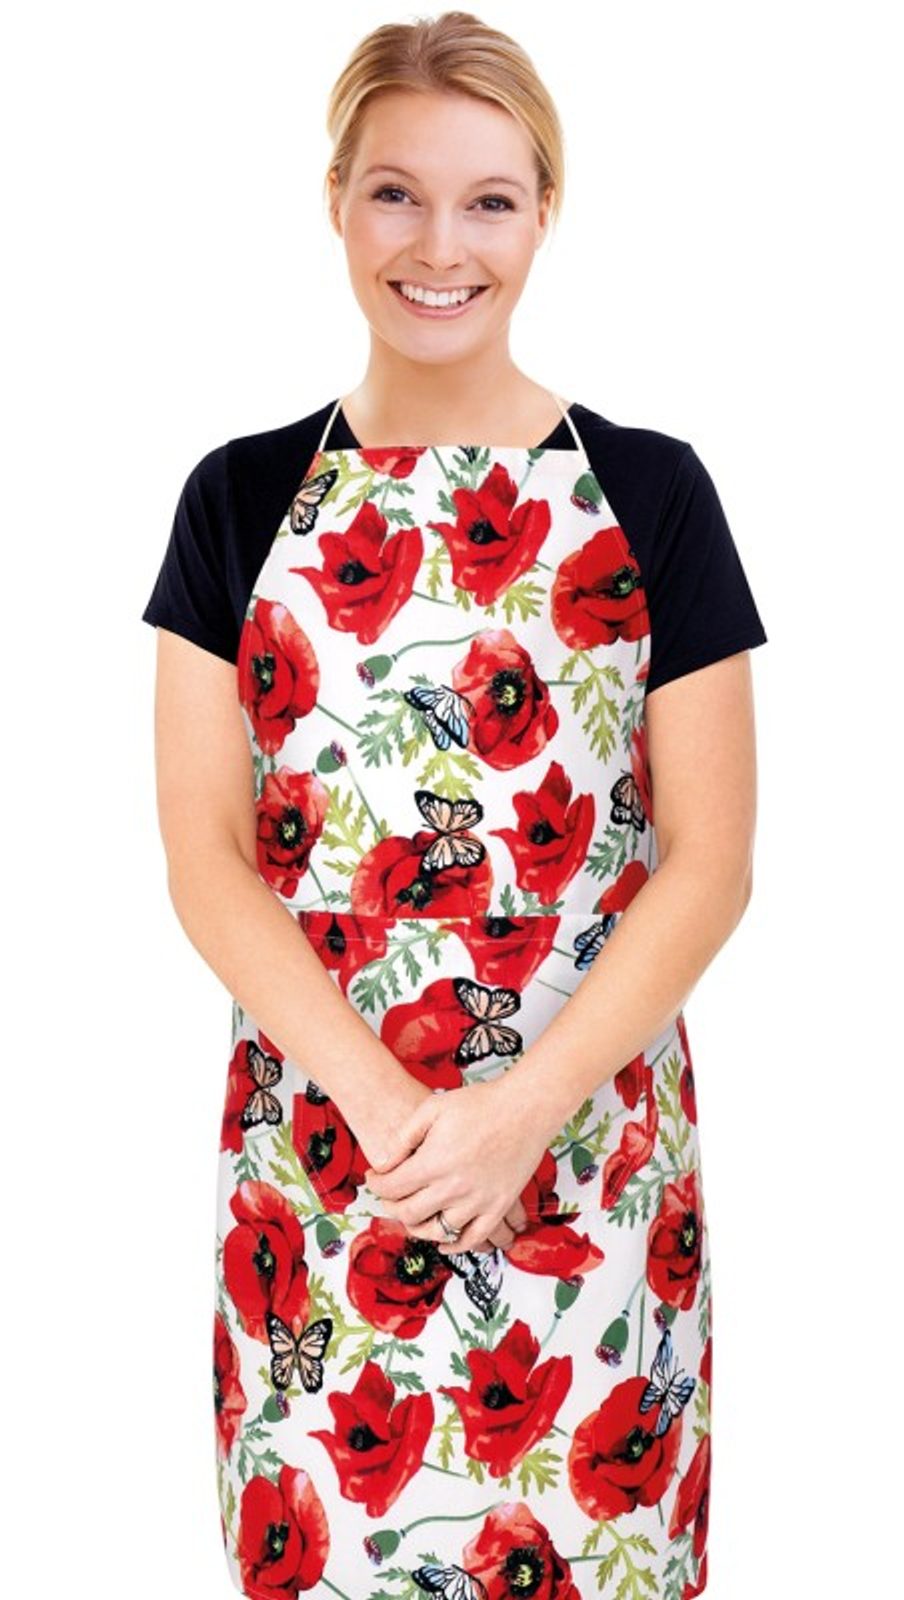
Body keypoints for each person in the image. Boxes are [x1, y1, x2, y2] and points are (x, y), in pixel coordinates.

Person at [141, 12, 767, 1598]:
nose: (440, 245)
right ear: (336, 203)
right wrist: (384, 1108)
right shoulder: (235, 499)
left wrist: (521, 1113)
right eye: (396, 193)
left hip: (593, 1149)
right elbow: (206, 859)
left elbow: (709, 862)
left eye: (489, 199)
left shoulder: (657, 493)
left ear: (546, 211)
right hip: (325, 1160)